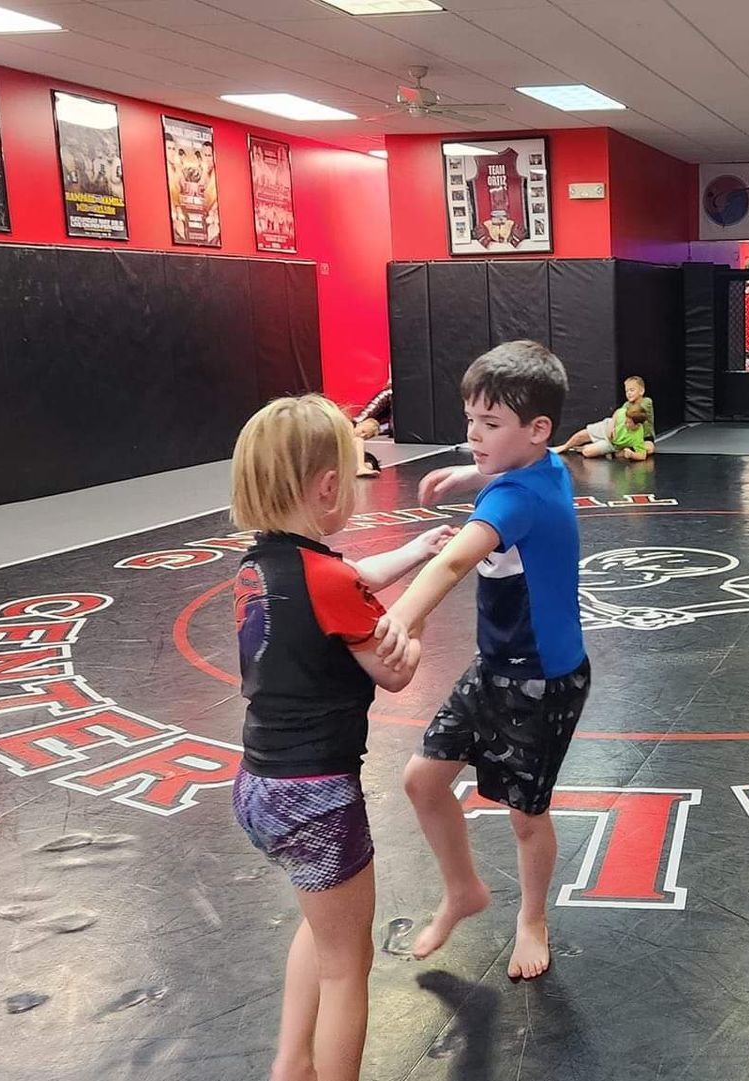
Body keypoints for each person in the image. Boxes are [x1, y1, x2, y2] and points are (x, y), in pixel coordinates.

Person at [227, 395, 450, 1081]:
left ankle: (291, 1064)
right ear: (329, 487)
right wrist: (416, 623)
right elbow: (393, 670)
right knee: (348, 964)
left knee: (321, 929)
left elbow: (348, 582)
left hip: (258, 787)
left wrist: (413, 550)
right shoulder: (329, 581)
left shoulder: (259, 567)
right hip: (316, 799)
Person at [375, 341, 589, 981]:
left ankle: (532, 919)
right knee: (421, 779)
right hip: (494, 666)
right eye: (471, 420)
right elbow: (524, 470)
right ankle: (464, 890)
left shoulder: (518, 500)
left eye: (489, 426)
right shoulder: (542, 467)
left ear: (537, 428)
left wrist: (401, 620)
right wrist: (473, 471)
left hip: (542, 681)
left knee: (527, 817)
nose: (473, 434)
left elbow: (453, 560)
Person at [553, 375, 655, 457]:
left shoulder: (646, 402)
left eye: (632, 390)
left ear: (641, 391)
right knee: (583, 435)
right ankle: (564, 447)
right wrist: (612, 425)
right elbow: (618, 413)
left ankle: (620, 451)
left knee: (649, 449)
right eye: (627, 391)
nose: (628, 393)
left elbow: (637, 411)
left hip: (643, 437)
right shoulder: (626, 405)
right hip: (617, 432)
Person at [352, 385, 393, 478]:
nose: (362, 435)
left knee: (372, 463)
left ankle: (361, 467)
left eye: (366, 436)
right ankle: (360, 468)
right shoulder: (348, 426)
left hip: (340, 458)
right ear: (359, 424)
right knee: (358, 441)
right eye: (363, 431)